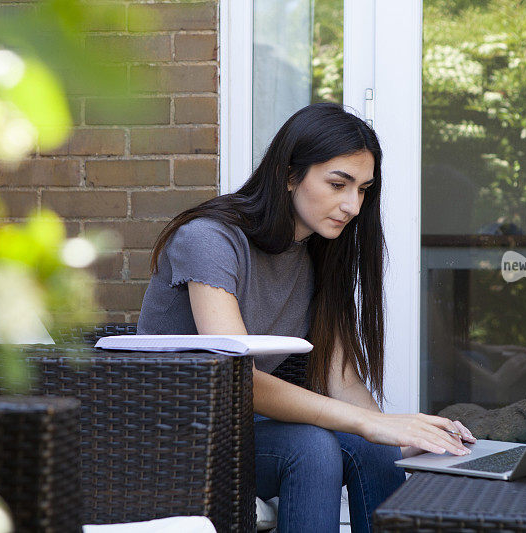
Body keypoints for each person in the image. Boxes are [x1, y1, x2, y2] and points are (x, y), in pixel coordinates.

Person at [137, 103, 475, 533]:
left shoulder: (315, 252)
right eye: (338, 184)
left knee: (369, 448)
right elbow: (237, 378)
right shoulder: (209, 238)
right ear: (290, 174)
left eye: (363, 189)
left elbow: (343, 380)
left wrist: (402, 435)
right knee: (311, 447)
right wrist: (372, 424)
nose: (353, 205)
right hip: (170, 433)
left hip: (238, 430)